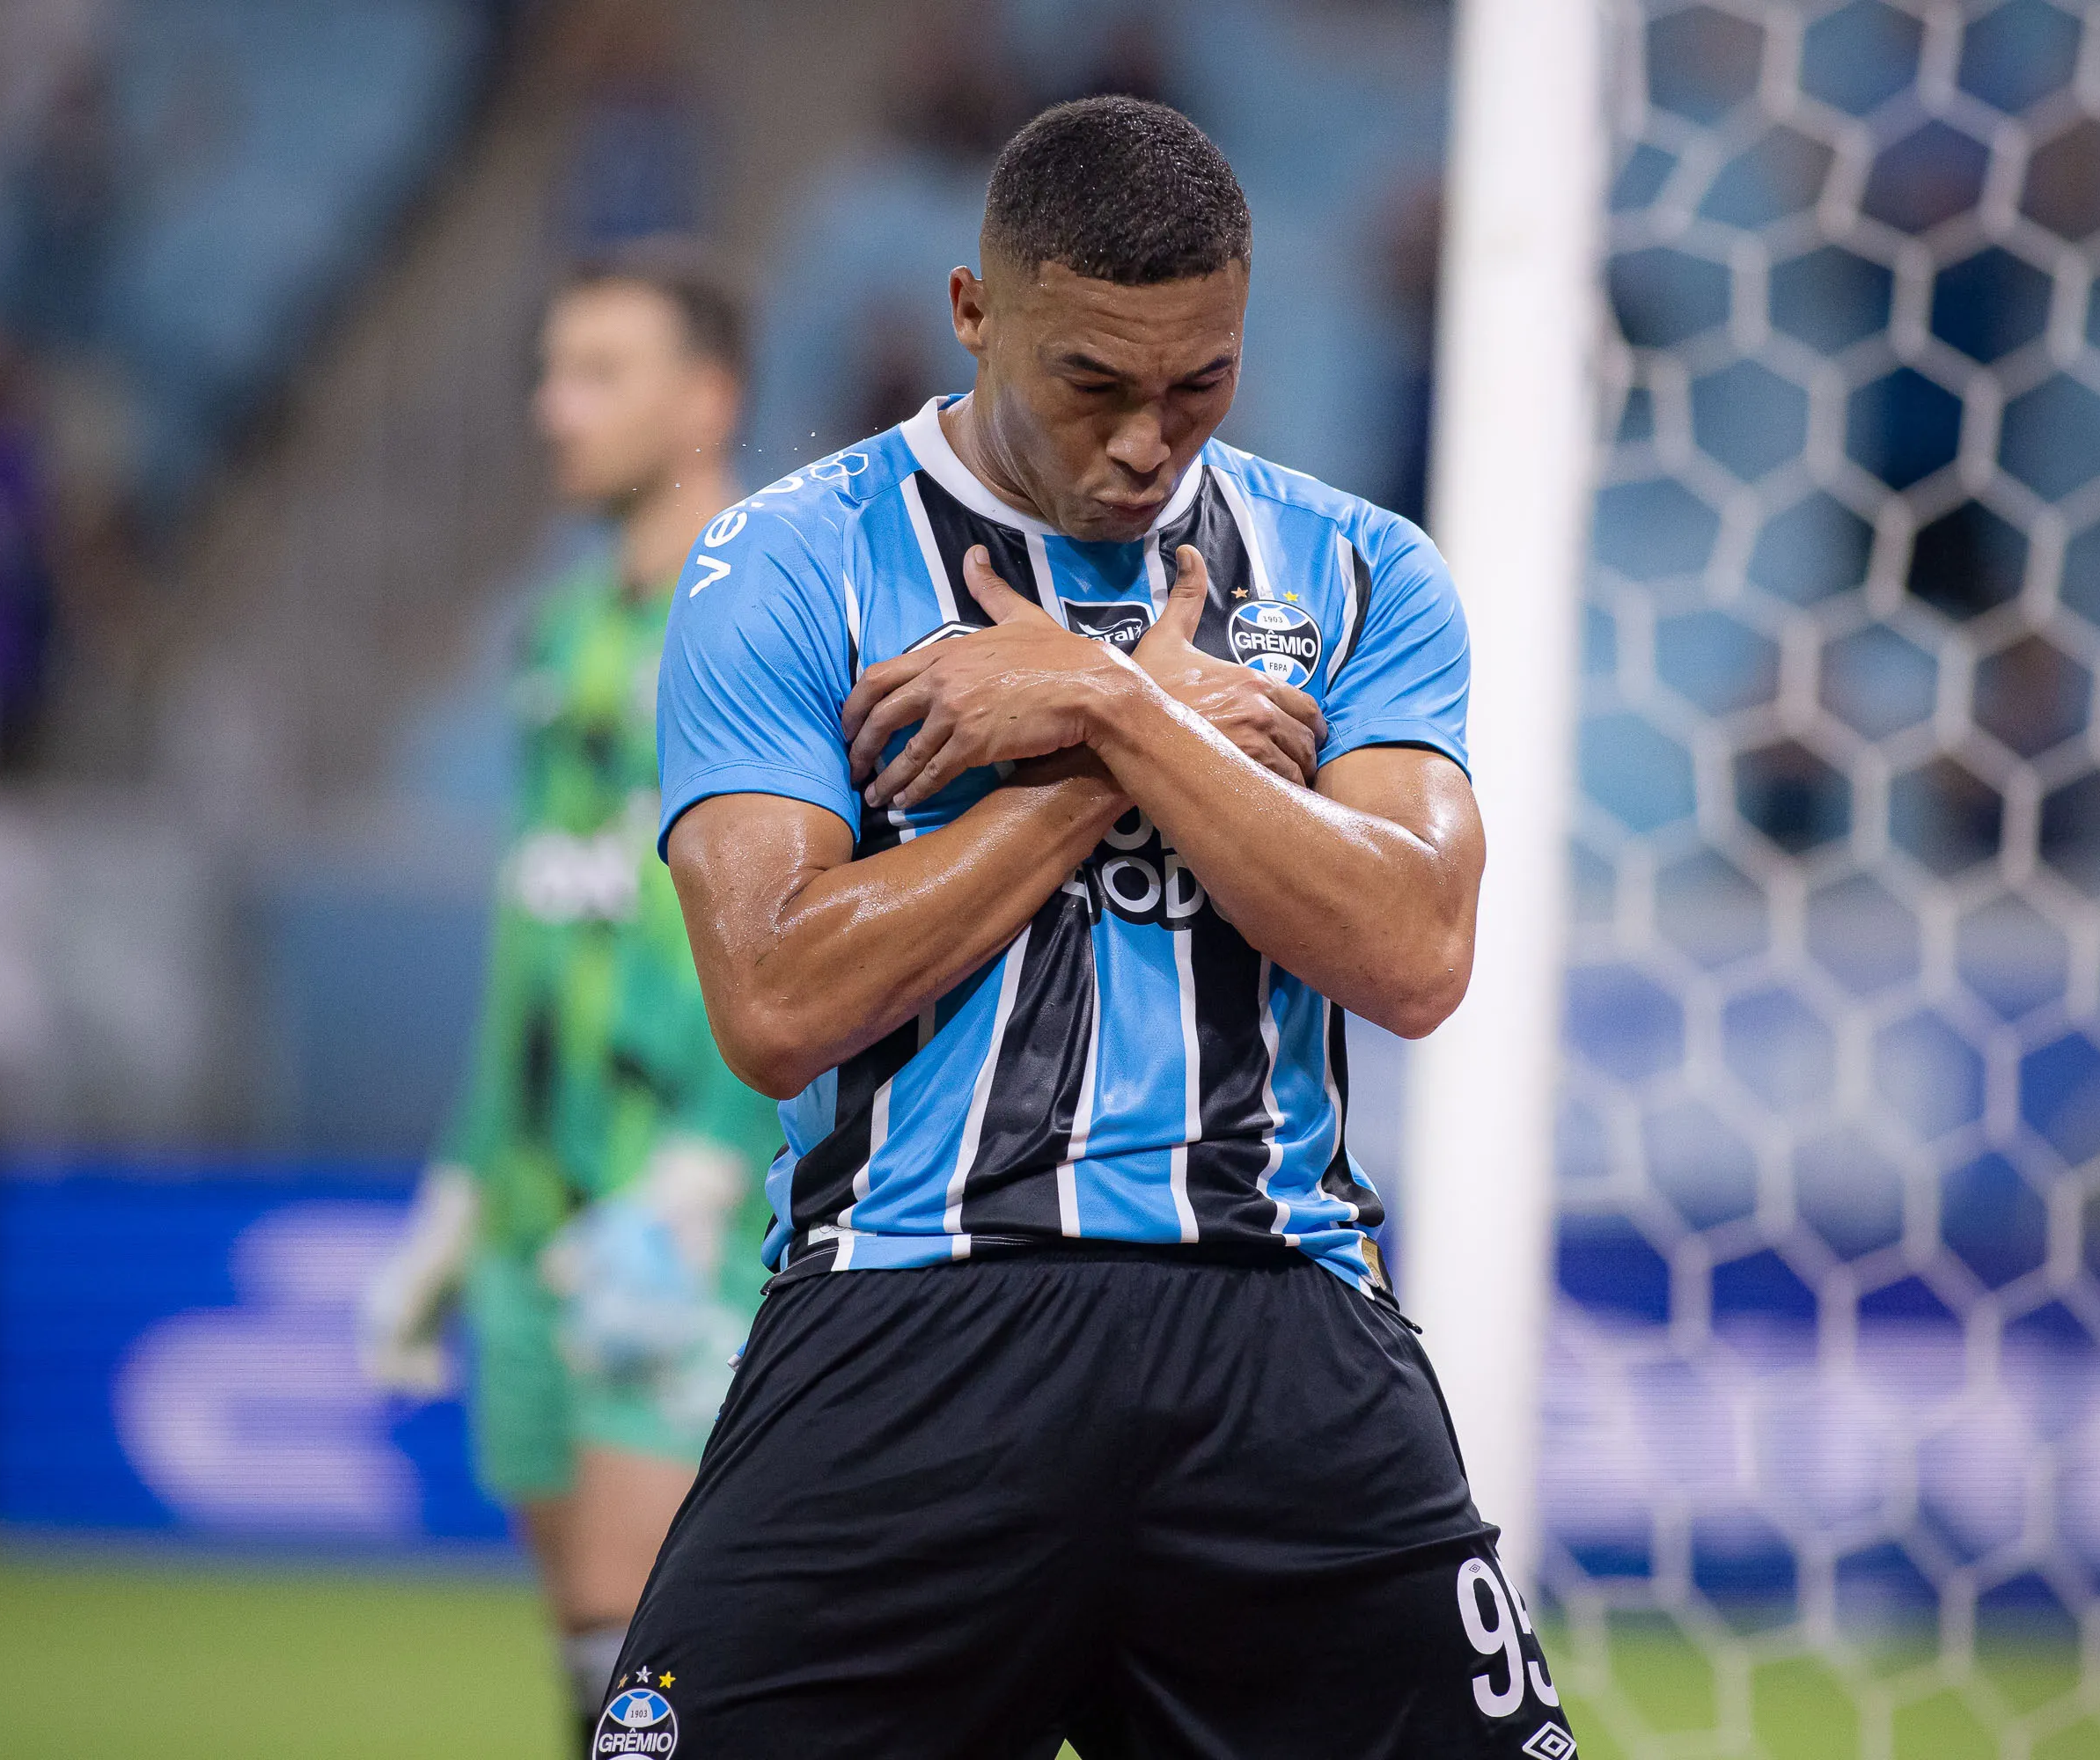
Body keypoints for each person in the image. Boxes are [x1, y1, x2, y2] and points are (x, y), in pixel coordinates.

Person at [620, 98, 1574, 1759]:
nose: (1151, 441)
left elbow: (1418, 950)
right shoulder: (784, 565)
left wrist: (1106, 711)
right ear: (974, 313)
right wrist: (1130, 740)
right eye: (1094, 385)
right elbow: (774, 999)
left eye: (1200, 383)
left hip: (1276, 1317)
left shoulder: (1359, 571)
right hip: (912, 1313)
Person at [356, 238, 782, 1751]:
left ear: (706, 400)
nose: (554, 407)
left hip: (689, 1221)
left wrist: (701, 1166)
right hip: (537, 1213)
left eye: (601, 373)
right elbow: (537, 930)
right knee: (593, 1669)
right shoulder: (557, 633)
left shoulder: (768, 621)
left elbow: (786, 926)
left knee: (649, 1661)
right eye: (552, 370)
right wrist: (462, 1188)